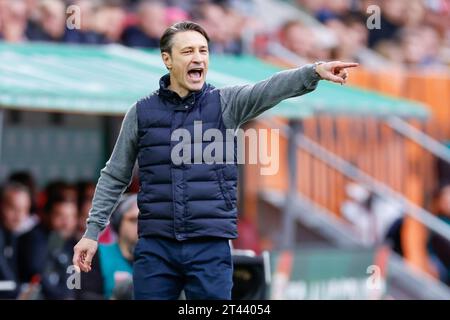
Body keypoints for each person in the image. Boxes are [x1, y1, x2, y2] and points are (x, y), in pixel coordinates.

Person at [73, 21, 358, 300]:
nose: (198, 58)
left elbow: (270, 88)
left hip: (210, 248)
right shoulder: (140, 113)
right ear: (167, 59)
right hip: (155, 248)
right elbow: (115, 175)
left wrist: (314, 72)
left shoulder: (226, 103)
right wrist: (92, 231)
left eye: (203, 50)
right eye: (188, 52)